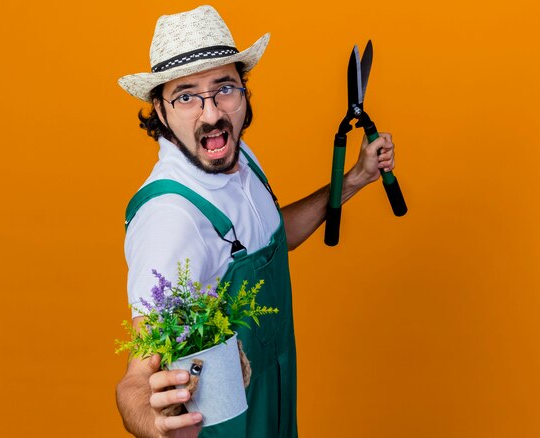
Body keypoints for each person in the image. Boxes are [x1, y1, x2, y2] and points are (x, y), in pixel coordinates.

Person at [115, 5, 396, 437]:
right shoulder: (170, 218)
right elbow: (139, 370)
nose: (211, 114)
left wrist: (355, 178)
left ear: (244, 92)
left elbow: (269, 237)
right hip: (227, 426)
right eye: (186, 96)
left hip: (276, 405)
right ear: (161, 109)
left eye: (223, 88)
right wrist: (145, 416)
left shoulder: (238, 160)